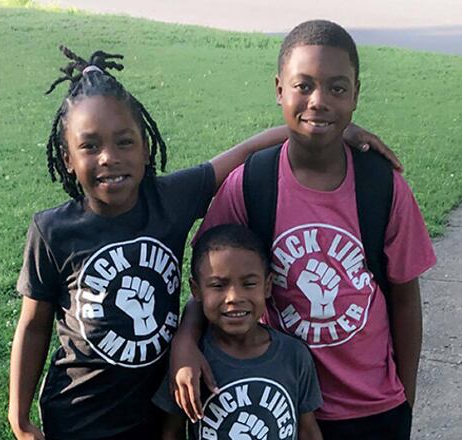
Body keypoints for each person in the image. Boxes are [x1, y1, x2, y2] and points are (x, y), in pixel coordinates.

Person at [8, 46, 393, 440]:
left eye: (125, 142)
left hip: (155, 405)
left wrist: (327, 131)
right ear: (67, 156)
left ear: (145, 147)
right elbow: (34, 326)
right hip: (80, 416)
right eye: (89, 146)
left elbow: (246, 150)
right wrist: (19, 418)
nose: (109, 157)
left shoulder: (170, 199)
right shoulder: (53, 231)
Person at [171, 20, 436, 440]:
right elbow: (207, 285)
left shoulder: (382, 186)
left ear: (355, 93)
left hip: (374, 406)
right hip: (280, 404)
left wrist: (406, 395)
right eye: (303, 85)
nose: (319, 101)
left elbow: (405, 298)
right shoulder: (251, 184)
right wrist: (185, 343)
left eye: (336, 88)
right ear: (280, 89)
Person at [154, 224, 323, 440]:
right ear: (196, 290)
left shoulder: (294, 355)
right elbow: (172, 432)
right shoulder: (189, 363)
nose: (234, 297)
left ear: (268, 286)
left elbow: (307, 431)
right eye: (218, 285)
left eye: (249, 283)